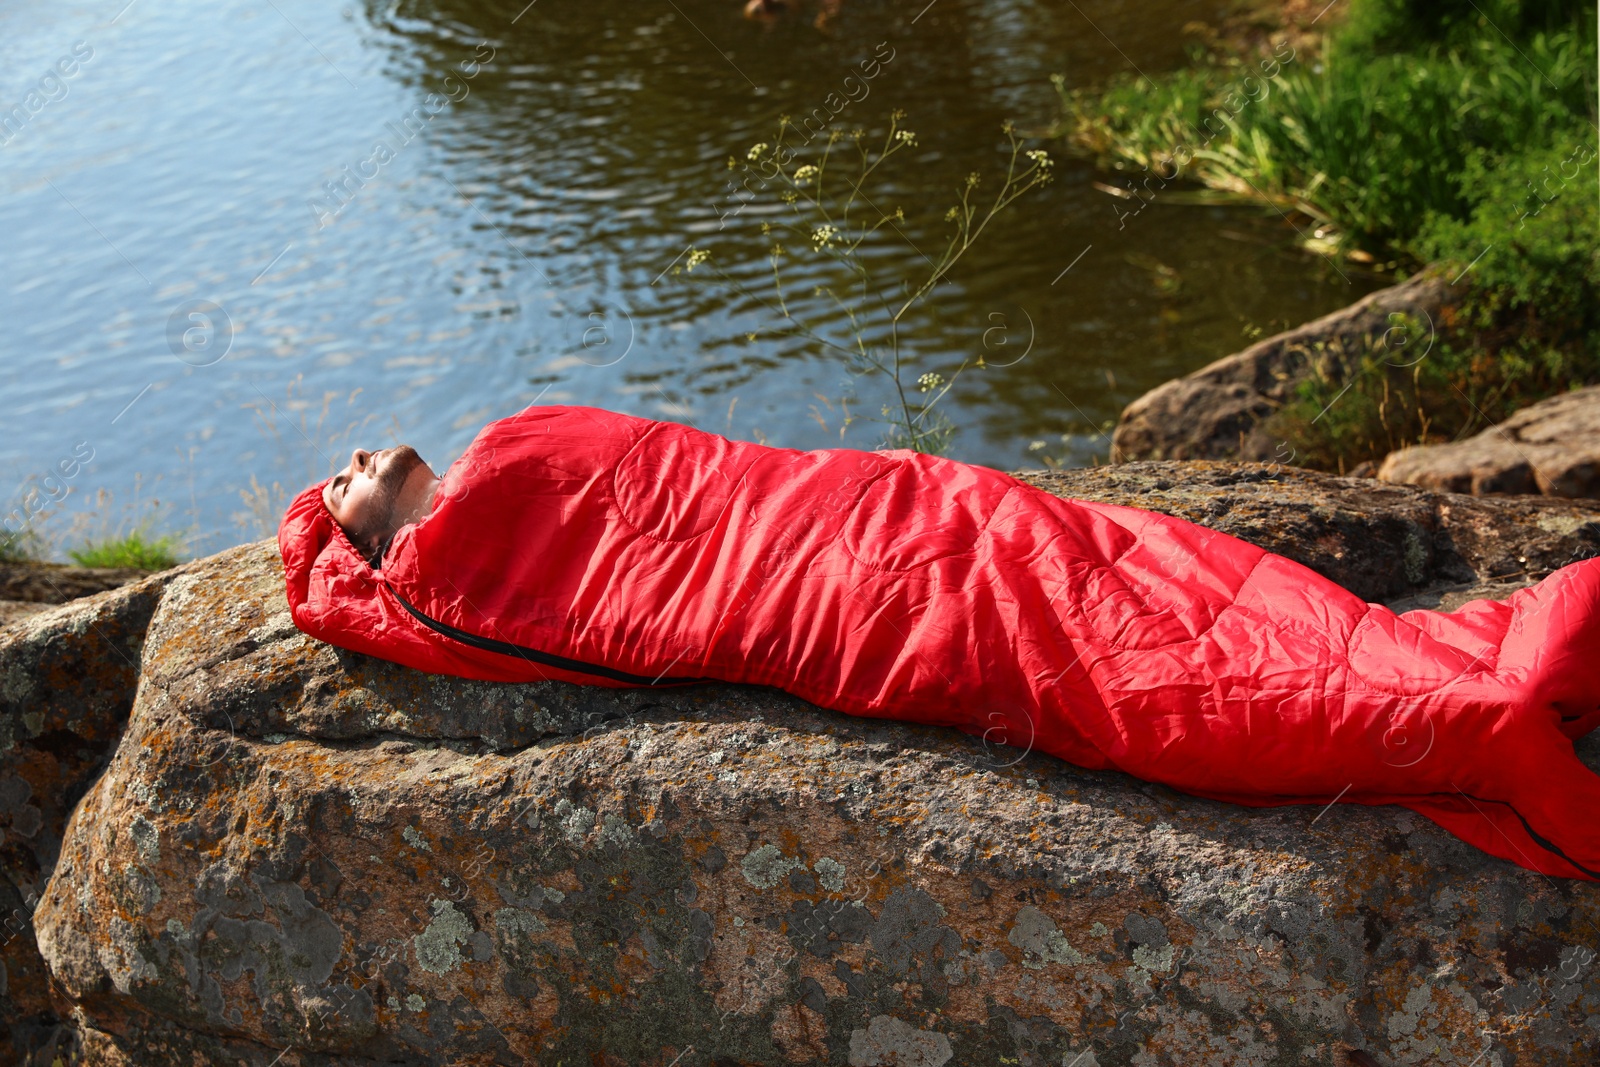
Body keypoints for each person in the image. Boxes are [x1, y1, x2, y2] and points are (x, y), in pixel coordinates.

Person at [281, 404, 1600, 881]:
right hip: (907, 612)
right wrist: (346, 570)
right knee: (1214, 689)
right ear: (371, 560)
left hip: (926, 509)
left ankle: (1510, 675)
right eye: (332, 495)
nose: (346, 461)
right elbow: (372, 605)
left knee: (1263, 616)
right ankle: (1493, 712)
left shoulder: (522, 440)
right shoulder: (454, 588)